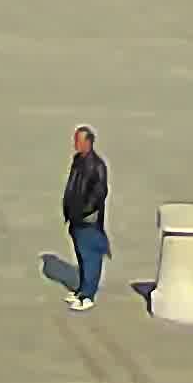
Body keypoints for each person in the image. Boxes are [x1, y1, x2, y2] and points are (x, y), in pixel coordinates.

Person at [61, 127, 110, 312]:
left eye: (79, 141)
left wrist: (83, 212)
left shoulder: (97, 165)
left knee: (91, 257)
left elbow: (99, 193)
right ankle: (81, 290)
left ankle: (88, 295)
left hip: (88, 220)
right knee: (81, 256)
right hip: (75, 217)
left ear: (88, 142)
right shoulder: (78, 160)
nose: (75, 144)